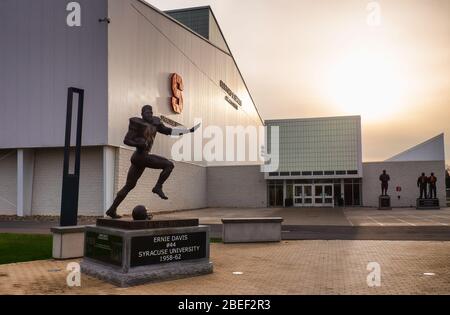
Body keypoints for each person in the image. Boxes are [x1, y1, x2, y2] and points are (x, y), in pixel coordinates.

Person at [106, 105, 200, 219]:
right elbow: (126, 140)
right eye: (146, 112)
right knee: (169, 165)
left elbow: (168, 131)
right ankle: (158, 187)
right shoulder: (137, 123)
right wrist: (138, 143)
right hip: (140, 156)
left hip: (140, 159)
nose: (149, 114)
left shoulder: (156, 123)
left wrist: (187, 131)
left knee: (129, 185)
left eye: (150, 112)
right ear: (142, 114)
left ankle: (112, 209)